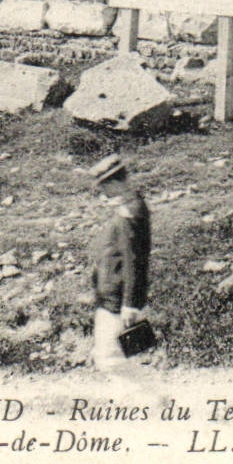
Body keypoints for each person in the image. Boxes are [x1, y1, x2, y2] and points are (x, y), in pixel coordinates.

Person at [86, 154, 150, 369]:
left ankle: (151, 393)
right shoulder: (127, 209)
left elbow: (134, 260)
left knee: (112, 363)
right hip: (110, 299)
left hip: (117, 301)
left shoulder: (130, 212)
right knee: (115, 362)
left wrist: (130, 304)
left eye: (104, 187)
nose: (103, 192)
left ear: (113, 183)